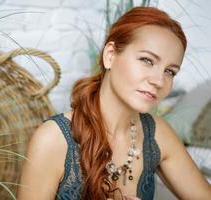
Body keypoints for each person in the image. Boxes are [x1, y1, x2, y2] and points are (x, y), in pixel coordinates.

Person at [17, 6, 211, 200]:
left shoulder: (158, 134)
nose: (159, 81)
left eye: (170, 71)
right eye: (147, 60)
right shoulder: (53, 139)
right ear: (110, 55)